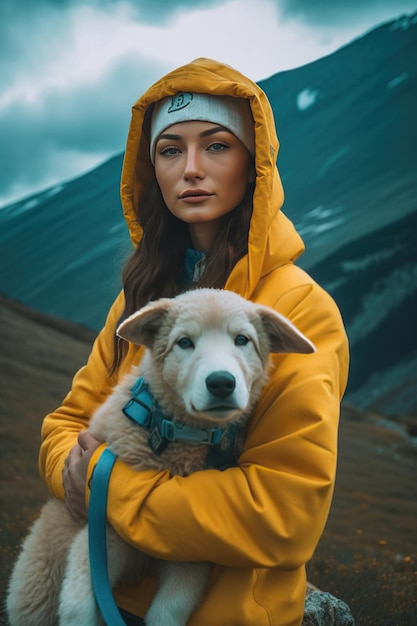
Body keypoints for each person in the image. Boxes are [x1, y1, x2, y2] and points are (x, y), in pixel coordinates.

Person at [39, 57, 349, 625]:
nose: (191, 170)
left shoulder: (300, 308)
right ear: (150, 170)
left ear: (254, 163)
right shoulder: (142, 299)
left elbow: (282, 515)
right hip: (114, 597)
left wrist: (111, 488)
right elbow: (66, 425)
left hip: (220, 611)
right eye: (170, 150)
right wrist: (72, 470)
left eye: (217, 146)